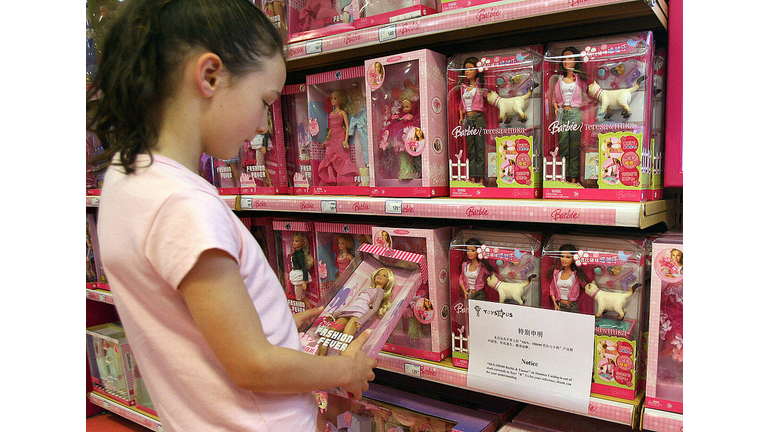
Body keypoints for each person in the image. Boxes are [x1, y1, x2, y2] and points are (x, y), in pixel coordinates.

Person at [86, 1, 376, 431]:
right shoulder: (183, 205)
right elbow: (252, 366)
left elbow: (190, 327)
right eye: (264, 101)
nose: (262, 125)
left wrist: (281, 322)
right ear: (210, 76)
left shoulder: (125, 183)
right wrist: (344, 372)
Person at [550, 47, 588, 184]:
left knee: (575, 148)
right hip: (562, 115)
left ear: (576, 61)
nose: (567, 61)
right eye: (565, 58)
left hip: (576, 114)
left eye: (570, 58)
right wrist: (556, 109)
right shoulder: (558, 79)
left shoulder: (580, 80)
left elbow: (587, 96)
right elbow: (554, 99)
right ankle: (563, 178)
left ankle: (574, 178)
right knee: (564, 147)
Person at [458, 57, 488, 185]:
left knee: (480, 149)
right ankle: (473, 178)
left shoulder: (480, 86)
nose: (467, 71)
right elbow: (461, 105)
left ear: (477, 71)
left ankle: (481, 179)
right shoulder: (463, 88)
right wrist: (461, 117)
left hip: (478, 118)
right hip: (468, 119)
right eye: (466, 69)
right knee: (471, 150)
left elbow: (489, 95)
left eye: (471, 69)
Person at [547, 244, 591, 313]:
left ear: (573, 259)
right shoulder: (557, 274)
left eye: (568, 257)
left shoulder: (576, 275)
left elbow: (585, 286)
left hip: (573, 305)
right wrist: (555, 304)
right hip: (560, 305)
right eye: (562, 256)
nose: (564, 259)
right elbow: (552, 289)